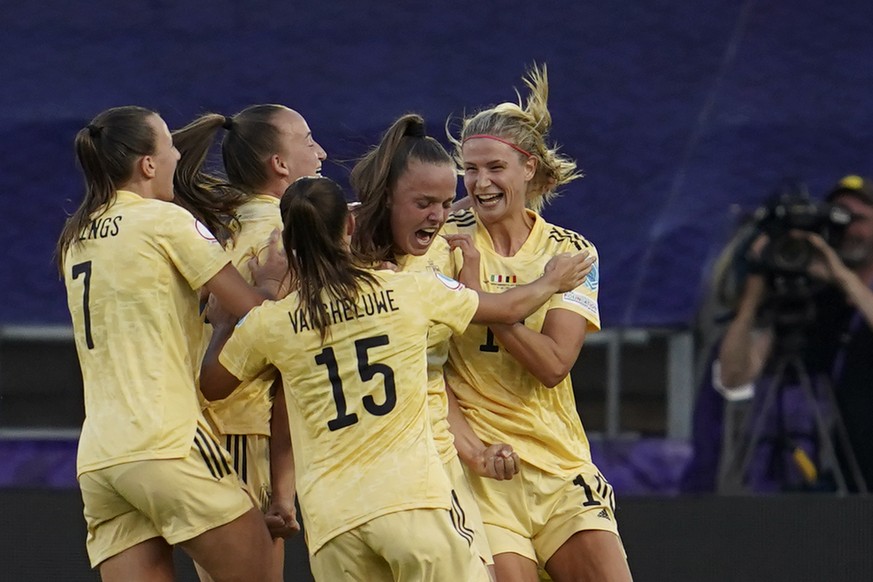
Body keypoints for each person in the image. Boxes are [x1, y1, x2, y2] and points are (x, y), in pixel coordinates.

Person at [199, 175, 591, 582]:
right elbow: (504, 307)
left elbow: (213, 385)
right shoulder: (408, 289)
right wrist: (550, 282)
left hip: (334, 523)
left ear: (288, 238)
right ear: (349, 227)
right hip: (411, 503)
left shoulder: (271, 323)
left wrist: (229, 321)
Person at [56, 106, 283, 581]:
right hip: (167, 441)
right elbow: (253, 311)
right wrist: (273, 281)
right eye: (168, 145)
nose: (179, 153)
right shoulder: (164, 220)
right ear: (148, 164)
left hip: (100, 458)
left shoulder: (75, 237)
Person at [442, 65, 633, 582]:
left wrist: (491, 305)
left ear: (528, 169)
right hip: (485, 469)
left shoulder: (572, 252)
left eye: (494, 168)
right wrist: (532, 293)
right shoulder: (442, 245)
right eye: (470, 169)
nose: (480, 183)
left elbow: (553, 365)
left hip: (559, 463)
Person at [349, 113, 540, 580]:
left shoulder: (351, 258)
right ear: (388, 197)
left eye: (445, 202)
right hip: (414, 476)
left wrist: (475, 453)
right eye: (424, 202)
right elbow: (497, 311)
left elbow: (429, 379)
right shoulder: (420, 275)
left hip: (343, 490)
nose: (438, 215)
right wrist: (554, 278)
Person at [172, 103, 327, 580]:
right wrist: (283, 488)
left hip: (214, 425)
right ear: (279, 164)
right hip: (239, 429)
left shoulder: (229, 227)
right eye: (307, 140)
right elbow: (281, 365)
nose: (319, 151)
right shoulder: (280, 238)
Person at [716, 174, 873, 493]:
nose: (849, 231)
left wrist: (840, 275)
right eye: (840, 220)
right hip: (834, 475)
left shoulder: (849, 290)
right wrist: (755, 288)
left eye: (858, 219)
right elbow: (734, 377)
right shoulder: (813, 297)